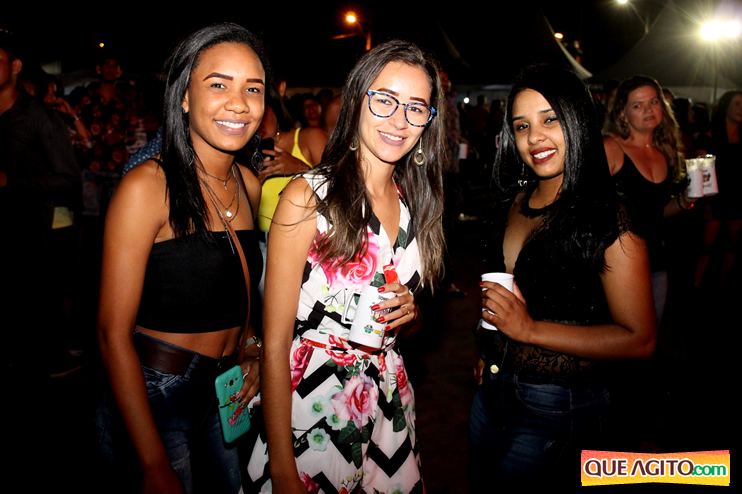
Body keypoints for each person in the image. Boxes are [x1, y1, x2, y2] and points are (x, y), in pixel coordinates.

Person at [246, 40, 445, 493]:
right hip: (312, 408)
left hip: (389, 408)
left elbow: (407, 329)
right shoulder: (309, 196)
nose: (400, 119)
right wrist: (283, 469)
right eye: (385, 99)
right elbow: (274, 342)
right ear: (357, 101)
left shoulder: (416, 204)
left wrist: (411, 314)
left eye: (416, 107)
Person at [96, 23, 266, 493]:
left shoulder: (249, 185)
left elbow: (238, 292)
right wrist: (153, 463)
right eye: (219, 85)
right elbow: (111, 334)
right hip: (156, 393)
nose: (239, 103)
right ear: (185, 97)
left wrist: (253, 349)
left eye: (253, 88)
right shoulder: (147, 187)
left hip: (226, 390)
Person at [468, 65, 657, 488]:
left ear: (577, 120)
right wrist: (492, 348)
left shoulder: (608, 216)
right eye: (522, 126)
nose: (534, 137)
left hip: (559, 406)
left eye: (549, 119)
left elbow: (640, 339)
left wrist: (529, 330)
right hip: (492, 391)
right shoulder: (512, 202)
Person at [603, 76, 695, 324]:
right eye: (638, 105)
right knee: (624, 336)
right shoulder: (611, 148)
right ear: (622, 114)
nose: (648, 109)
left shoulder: (664, 150)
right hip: (618, 266)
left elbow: (658, 211)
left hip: (655, 261)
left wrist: (686, 199)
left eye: (654, 102)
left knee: (652, 333)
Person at [695, 90, 742, 287]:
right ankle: (694, 287)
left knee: (732, 245)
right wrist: (705, 202)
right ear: (726, 106)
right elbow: (700, 171)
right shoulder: (709, 136)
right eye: (737, 103)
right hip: (713, 198)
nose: (741, 109)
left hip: (737, 198)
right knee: (706, 246)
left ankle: (723, 284)